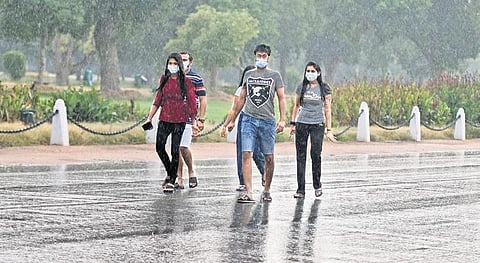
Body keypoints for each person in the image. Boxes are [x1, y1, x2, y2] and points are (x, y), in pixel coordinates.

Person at [221, 44, 287, 203]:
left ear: (268, 58)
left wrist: (283, 119)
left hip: (267, 121)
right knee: (246, 153)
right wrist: (232, 120)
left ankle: (267, 189)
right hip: (249, 119)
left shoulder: (275, 75)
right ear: (255, 56)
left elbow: (282, 98)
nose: (261, 59)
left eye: (264, 56)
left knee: (268, 157)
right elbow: (241, 98)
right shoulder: (249, 75)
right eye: (259, 55)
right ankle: (249, 192)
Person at [143, 53, 198, 193]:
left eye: (175, 63)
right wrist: (149, 118)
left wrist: (194, 121)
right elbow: (157, 100)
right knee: (159, 147)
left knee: (175, 150)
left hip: (180, 119)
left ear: (179, 65)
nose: (172, 66)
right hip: (165, 118)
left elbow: (192, 103)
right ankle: (170, 172)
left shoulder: (186, 82)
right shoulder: (164, 79)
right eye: (170, 63)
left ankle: (172, 181)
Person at [289, 61, 336, 199]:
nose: (310, 73)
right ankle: (300, 189)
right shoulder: (302, 87)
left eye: (312, 71)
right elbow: (296, 105)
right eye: (308, 71)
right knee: (300, 156)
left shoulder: (324, 88)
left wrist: (329, 129)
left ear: (318, 73)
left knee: (315, 154)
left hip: (317, 124)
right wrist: (293, 123)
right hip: (302, 123)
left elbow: (327, 108)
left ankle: (317, 184)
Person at [169, 51, 207, 190]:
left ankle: (191, 170)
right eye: (180, 59)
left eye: (185, 60)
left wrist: (201, 119)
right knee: (175, 148)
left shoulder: (196, 78)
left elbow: (202, 99)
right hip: (173, 117)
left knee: (183, 147)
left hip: (188, 118)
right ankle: (179, 178)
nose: (183, 62)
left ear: (190, 62)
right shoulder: (171, 76)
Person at [225, 65, 266, 192]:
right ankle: (242, 181)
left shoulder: (263, 88)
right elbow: (235, 108)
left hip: (260, 118)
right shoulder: (240, 90)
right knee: (243, 151)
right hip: (244, 119)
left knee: (257, 149)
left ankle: (264, 171)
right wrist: (229, 122)